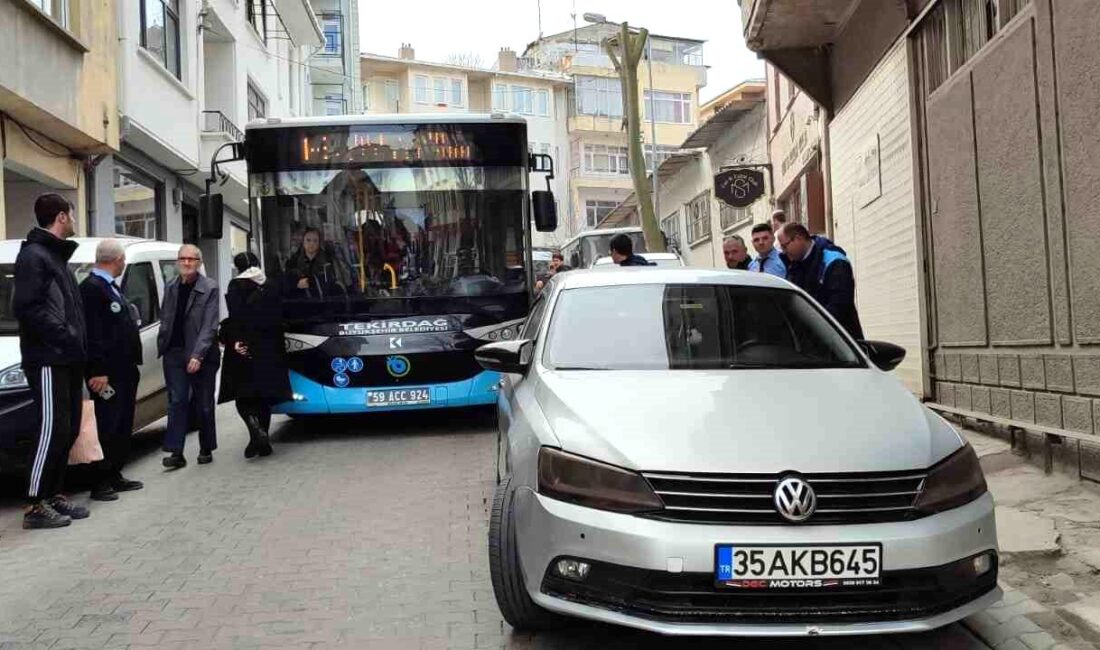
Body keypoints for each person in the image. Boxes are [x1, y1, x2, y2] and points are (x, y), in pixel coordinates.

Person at [12, 194, 89, 529]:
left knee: (68, 429)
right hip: (48, 358)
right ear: (61, 217)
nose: (73, 219)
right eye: (71, 214)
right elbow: (28, 309)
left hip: (67, 358)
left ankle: (55, 493)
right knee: (50, 429)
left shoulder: (55, 257)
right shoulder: (34, 256)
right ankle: (35, 504)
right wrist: (65, 336)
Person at [80, 239, 144, 502]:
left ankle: (115, 472)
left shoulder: (109, 287)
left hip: (124, 370)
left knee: (121, 424)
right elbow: (92, 333)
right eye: (123, 260)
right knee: (107, 424)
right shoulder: (92, 289)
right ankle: (100, 480)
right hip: (106, 374)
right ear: (117, 260)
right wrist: (97, 370)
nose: (124, 264)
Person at [218, 252, 291, 459]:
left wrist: (237, 341)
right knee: (263, 398)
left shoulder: (236, 286)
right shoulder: (272, 285)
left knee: (243, 396)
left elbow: (237, 316)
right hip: (270, 349)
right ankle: (260, 437)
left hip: (244, 349)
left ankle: (255, 430)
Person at [158, 244, 221, 469]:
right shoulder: (171, 286)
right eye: (182, 259)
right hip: (174, 353)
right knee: (177, 401)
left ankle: (206, 447)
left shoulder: (210, 287)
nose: (186, 263)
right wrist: (162, 344)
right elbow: (165, 316)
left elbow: (210, 325)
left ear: (199, 262)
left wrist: (198, 355)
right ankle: (176, 452)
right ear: (177, 262)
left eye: (192, 259)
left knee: (204, 404)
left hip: (201, 354)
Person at [777, 223, 864, 339]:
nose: (783, 251)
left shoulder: (834, 262)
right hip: (811, 344)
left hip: (840, 344)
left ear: (798, 238)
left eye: (784, 246)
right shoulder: (794, 265)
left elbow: (839, 307)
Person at [289, 228, 338, 298]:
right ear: (303, 242)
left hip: (323, 302)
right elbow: (286, 286)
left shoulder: (327, 261)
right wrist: (296, 284)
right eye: (308, 240)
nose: (311, 244)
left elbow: (333, 283)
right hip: (301, 303)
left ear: (319, 243)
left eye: (315, 241)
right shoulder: (294, 261)